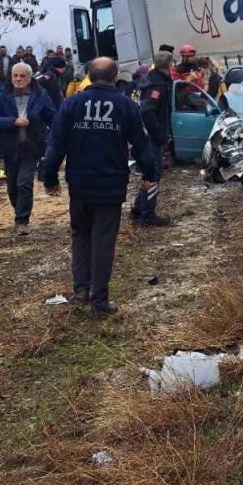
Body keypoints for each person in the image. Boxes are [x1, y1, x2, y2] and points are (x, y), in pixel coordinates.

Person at [41, 57, 157, 317]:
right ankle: (99, 303)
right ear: (115, 77)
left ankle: (81, 290)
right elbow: (140, 144)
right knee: (103, 240)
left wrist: (50, 178)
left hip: (79, 183)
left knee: (81, 234)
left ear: (89, 76)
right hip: (110, 183)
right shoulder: (125, 105)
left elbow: (56, 143)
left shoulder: (71, 103)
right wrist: (150, 173)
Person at [0, 62, 56, 234]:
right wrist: (12, 121)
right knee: (12, 187)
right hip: (10, 147)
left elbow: (52, 117)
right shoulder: (1, 95)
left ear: (30, 77)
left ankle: (22, 220)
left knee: (24, 183)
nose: (18, 79)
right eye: (15, 75)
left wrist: (57, 138)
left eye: (22, 76)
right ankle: (19, 210)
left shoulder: (40, 94)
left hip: (32, 146)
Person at [133, 50, 174, 227]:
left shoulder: (152, 79)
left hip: (145, 135)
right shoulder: (157, 85)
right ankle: (148, 214)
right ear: (170, 65)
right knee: (153, 174)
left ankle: (138, 210)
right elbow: (147, 111)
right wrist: (159, 134)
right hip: (151, 137)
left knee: (149, 174)